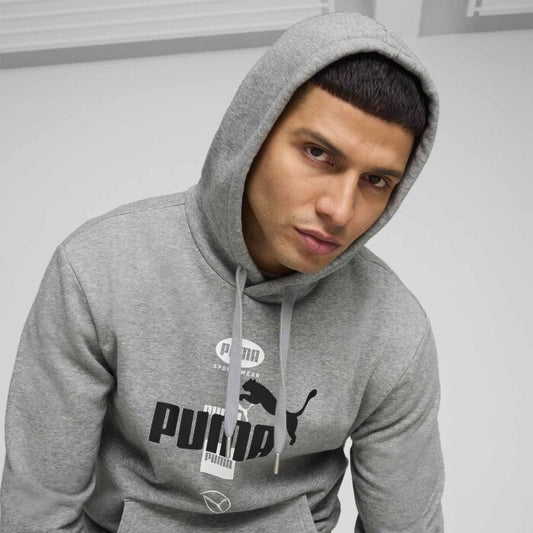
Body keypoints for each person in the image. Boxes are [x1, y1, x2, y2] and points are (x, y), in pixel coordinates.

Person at [0, 10, 445, 533]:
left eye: (376, 181)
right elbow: (38, 506)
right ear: (252, 134)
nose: (340, 210)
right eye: (317, 153)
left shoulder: (393, 331)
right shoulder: (98, 271)